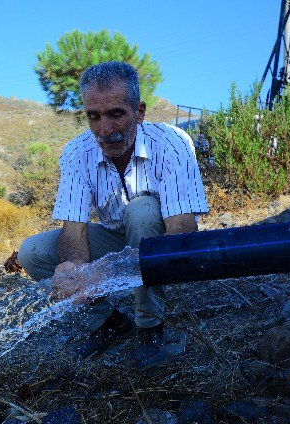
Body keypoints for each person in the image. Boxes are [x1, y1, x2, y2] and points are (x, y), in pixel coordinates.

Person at [18, 61, 209, 369]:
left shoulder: (173, 143)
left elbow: (181, 232)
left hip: (158, 237)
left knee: (143, 210)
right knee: (32, 253)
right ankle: (107, 322)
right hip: (115, 234)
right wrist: (74, 268)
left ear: (140, 111)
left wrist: (107, 273)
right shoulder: (76, 153)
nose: (104, 130)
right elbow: (73, 230)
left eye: (116, 114)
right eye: (94, 117)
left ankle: (150, 325)